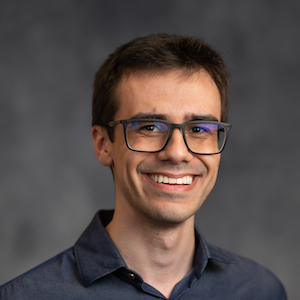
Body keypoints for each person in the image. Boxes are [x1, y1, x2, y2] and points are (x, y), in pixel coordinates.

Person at [0, 33, 286, 300]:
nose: (177, 153)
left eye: (199, 129)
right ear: (103, 144)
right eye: (149, 126)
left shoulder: (259, 290)